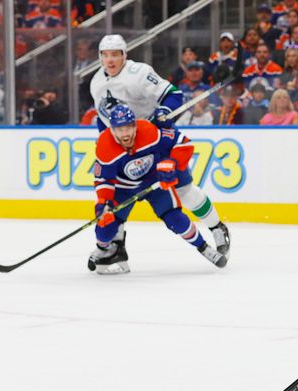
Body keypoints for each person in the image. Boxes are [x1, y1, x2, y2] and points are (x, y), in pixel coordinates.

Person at [90, 34, 230, 264]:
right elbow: (103, 118)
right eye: (105, 55)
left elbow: (174, 95)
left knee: (184, 189)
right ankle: (116, 248)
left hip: (155, 142)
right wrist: (109, 145)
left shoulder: (139, 73)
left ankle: (216, 226)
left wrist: (163, 112)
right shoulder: (96, 82)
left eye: (115, 54)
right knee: (116, 199)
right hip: (125, 147)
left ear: (124, 55)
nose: (110, 60)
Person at [88, 105, 226, 273]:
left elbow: (183, 143)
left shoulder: (148, 132)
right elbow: (104, 179)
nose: (125, 134)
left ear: (135, 125)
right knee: (104, 229)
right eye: (120, 129)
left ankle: (203, 247)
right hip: (124, 189)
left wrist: (172, 163)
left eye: (129, 128)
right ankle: (105, 249)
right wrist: (104, 203)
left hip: (153, 183)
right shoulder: (104, 145)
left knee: (175, 219)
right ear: (112, 130)